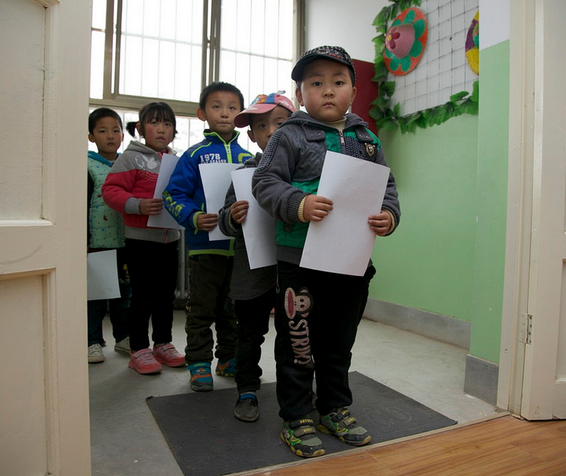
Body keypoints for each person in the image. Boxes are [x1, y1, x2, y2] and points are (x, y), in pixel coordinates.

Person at [251, 46, 401, 458]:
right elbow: (264, 183)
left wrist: (389, 215)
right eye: (316, 83)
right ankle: (296, 416)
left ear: (354, 91)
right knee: (298, 342)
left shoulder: (367, 139)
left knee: (338, 341)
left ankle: (334, 407)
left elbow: (387, 188)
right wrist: (298, 203)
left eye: (338, 82)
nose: (328, 90)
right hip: (299, 262)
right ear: (300, 95)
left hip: (351, 260)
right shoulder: (288, 135)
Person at [163, 81, 253, 392]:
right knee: (200, 309)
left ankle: (227, 359)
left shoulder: (250, 157)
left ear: (241, 114)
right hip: (204, 249)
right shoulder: (194, 155)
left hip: (239, 251)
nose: (225, 113)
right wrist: (193, 217)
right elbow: (172, 195)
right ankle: (198, 363)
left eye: (232, 107)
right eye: (217, 106)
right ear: (203, 113)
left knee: (232, 310)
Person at [218, 91, 296, 421]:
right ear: (252, 135)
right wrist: (231, 217)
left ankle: (294, 392)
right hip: (252, 271)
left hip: (295, 269)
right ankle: (247, 388)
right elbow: (224, 219)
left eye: (280, 123)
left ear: (295, 128)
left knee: (296, 334)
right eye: (262, 126)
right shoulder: (245, 174)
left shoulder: (305, 171)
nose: (271, 132)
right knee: (249, 333)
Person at [101, 101, 186, 375]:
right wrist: (137, 204)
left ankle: (163, 344)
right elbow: (110, 190)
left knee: (165, 295)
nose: (161, 129)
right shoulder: (131, 157)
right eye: (154, 122)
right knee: (143, 296)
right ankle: (139, 349)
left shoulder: (176, 160)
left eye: (168, 124)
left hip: (170, 238)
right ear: (140, 128)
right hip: (140, 239)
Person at [87, 107, 131, 363]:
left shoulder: (126, 164)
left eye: (115, 130)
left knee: (123, 295)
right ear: (92, 136)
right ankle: (93, 341)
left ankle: (123, 337)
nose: (110, 136)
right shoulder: (87, 165)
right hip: (97, 243)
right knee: (96, 295)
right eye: (102, 131)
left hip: (125, 242)